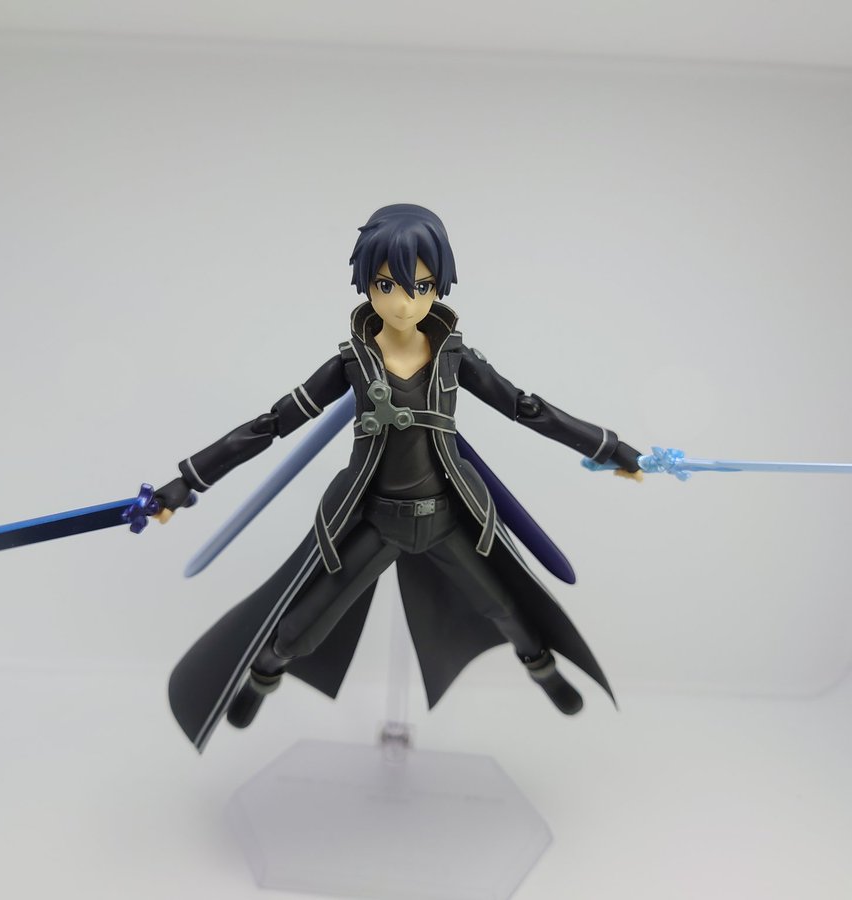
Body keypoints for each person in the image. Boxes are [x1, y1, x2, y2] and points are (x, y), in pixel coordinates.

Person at [153, 204, 643, 752]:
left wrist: (610, 448)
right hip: (377, 523)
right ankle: (263, 676)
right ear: (367, 285)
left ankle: (543, 669)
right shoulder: (351, 365)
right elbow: (270, 424)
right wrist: (186, 482)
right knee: (299, 628)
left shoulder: (454, 359)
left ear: (439, 287)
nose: (404, 302)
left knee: (506, 609)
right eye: (387, 285)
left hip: (447, 519)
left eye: (421, 286)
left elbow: (526, 407)